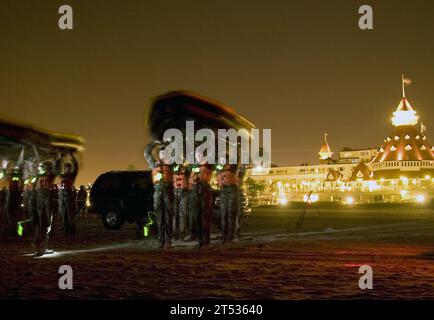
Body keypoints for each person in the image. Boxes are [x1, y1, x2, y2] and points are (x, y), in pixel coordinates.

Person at [144, 140, 174, 249]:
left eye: (165, 153)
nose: (163, 155)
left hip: (168, 191)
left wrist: (169, 144)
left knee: (168, 217)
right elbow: (146, 153)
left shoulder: (171, 164)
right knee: (160, 218)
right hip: (158, 192)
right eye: (161, 153)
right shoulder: (154, 164)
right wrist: (154, 143)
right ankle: (160, 242)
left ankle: (168, 242)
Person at [33, 158, 59, 255]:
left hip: (39, 200)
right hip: (45, 200)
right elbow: (56, 169)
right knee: (46, 225)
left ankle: (38, 247)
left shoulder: (37, 177)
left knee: (39, 225)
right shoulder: (48, 177)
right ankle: (42, 249)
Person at [188, 151, 213, 248]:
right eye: (196, 155)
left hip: (203, 192)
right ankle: (200, 241)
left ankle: (206, 242)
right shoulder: (194, 166)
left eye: (200, 155)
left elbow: (205, 178)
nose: (198, 157)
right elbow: (191, 179)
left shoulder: (208, 166)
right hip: (195, 193)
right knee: (196, 218)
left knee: (205, 218)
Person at [216, 158, 239, 243]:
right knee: (223, 215)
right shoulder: (219, 169)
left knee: (230, 215)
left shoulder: (233, 167)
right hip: (223, 191)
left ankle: (230, 236)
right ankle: (224, 236)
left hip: (231, 190)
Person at [58, 153, 79, 236]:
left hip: (69, 195)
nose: (66, 168)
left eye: (68, 167)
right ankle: (66, 231)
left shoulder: (72, 175)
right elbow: (57, 168)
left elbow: (76, 167)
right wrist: (61, 158)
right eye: (65, 167)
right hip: (61, 196)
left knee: (70, 215)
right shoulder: (62, 175)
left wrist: (72, 156)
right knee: (63, 215)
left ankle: (72, 231)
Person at [172, 163, 189, 240]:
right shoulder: (172, 166)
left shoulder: (187, 168)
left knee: (183, 214)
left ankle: (182, 233)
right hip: (174, 193)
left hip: (184, 193)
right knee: (174, 215)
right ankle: (174, 234)